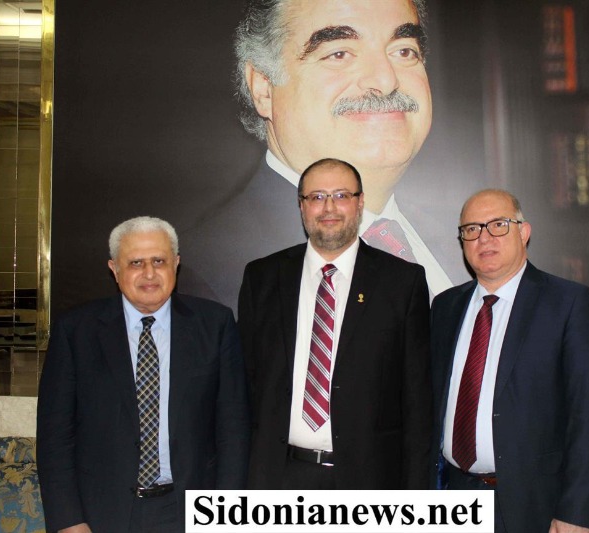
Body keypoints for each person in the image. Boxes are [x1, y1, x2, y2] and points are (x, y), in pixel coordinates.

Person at [177, 0, 455, 309]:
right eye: (339, 54)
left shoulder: (465, 241)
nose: (385, 80)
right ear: (263, 89)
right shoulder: (198, 283)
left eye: (404, 51)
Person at [36, 216, 250, 533]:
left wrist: (225, 514)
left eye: (159, 261)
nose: (149, 273)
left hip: (191, 510)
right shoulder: (75, 331)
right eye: (135, 262)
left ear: (176, 264)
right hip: (102, 512)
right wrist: (69, 520)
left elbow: (233, 428)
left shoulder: (215, 325)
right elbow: (55, 436)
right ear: (114, 269)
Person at [238, 158, 431, 489]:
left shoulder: (402, 282)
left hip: (369, 481)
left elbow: (418, 401)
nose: (329, 208)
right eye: (316, 197)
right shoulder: (262, 277)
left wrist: (415, 496)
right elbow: (243, 384)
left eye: (341, 195)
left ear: (360, 203)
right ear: (301, 206)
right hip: (278, 478)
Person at [430, 190, 589, 532]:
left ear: (524, 232)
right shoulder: (445, 307)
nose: (484, 238)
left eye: (498, 225)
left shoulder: (570, 303)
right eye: (472, 229)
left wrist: (576, 513)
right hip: (454, 498)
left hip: (538, 507)